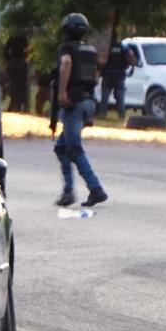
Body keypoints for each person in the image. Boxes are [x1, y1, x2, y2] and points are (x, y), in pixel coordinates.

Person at [53, 13, 108, 207]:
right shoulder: (90, 50)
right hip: (88, 102)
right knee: (61, 147)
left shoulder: (66, 48)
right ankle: (68, 191)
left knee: (74, 149)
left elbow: (66, 63)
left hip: (73, 104)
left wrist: (62, 91)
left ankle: (96, 189)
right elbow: (96, 73)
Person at [97, 39, 137, 119]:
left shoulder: (106, 46)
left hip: (107, 74)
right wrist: (132, 65)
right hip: (119, 75)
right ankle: (121, 115)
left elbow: (100, 59)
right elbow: (131, 54)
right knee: (120, 97)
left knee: (105, 97)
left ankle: (102, 114)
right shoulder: (122, 46)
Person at [4, 34, 29, 113]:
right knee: (19, 86)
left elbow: (6, 51)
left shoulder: (12, 38)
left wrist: (8, 59)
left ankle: (16, 105)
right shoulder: (24, 39)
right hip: (19, 62)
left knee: (15, 86)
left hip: (15, 62)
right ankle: (18, 105)